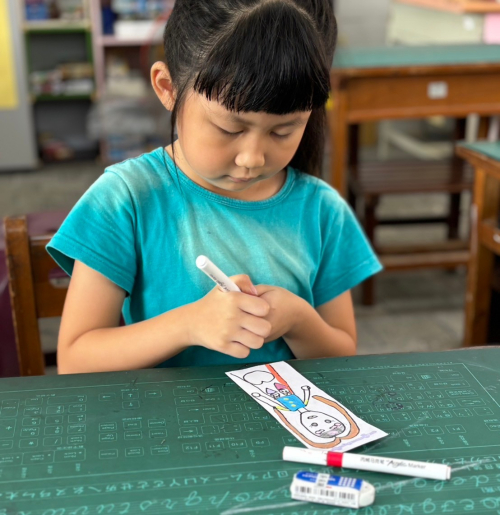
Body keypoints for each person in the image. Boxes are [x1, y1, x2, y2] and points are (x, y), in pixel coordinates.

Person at [47, 0, 382, 374]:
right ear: (168, 88)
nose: (252, 158)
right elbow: (76, 361)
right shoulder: (125, 200)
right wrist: (188, 325)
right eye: (229, 129)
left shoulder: (322, 210)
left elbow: (343, 357)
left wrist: (298, 320)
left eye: (283, 131)